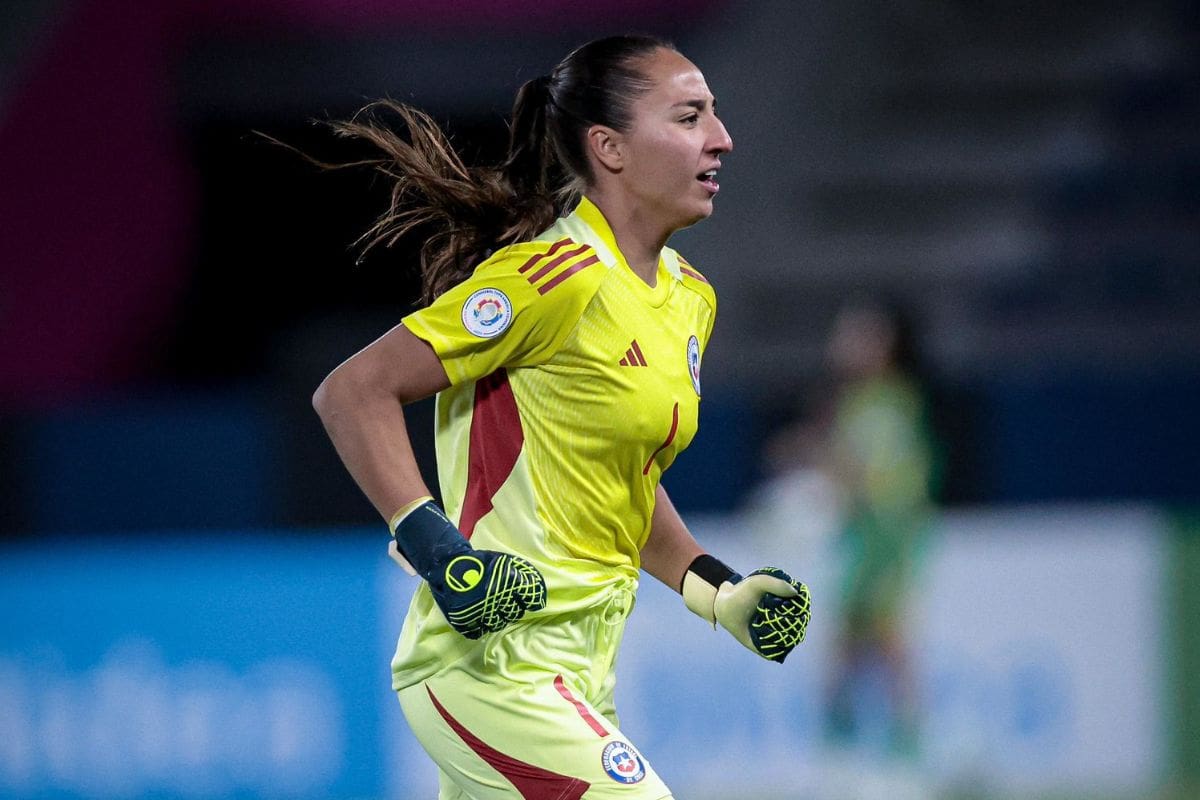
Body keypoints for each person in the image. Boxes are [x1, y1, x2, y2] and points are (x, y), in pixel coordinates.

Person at [311, 35, 811, 799]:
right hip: (489, 669)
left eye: (714, 114)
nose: (722, 137)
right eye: (689, 117)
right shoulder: (552, 279)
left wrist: (719, 591)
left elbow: (620, 486)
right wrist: (440, 551)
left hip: (580, 668)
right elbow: (353, 392)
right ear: (609, 148)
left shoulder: (689, 300)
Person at [818, 299, 940, 761]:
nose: (842, 344)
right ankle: (840, 743)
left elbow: (886, 474)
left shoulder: (893, 400)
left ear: (883, 345)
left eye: (855, 336)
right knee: (848, 635)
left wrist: (831, 476)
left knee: (887, 634)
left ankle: (907, 745)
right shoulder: (853, 402)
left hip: (888, 534)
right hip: (862, 537)